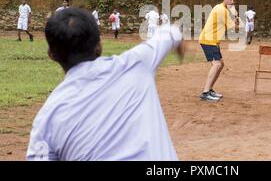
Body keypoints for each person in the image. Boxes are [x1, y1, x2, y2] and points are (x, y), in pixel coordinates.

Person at [26, 8, 184, 161]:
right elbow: (170, 32)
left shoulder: (46, 120)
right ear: (99, 45)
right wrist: (179, 45)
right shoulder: (136, 63)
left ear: (51, 55)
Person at [199, 0, 240, 102]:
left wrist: (235, 19)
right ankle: (205, 92)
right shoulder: (221, 10)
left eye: (234, 0)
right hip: (208, 40)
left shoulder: (223, 9)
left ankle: (210, 89)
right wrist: (236, 20)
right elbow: (234, 30)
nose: (232, 2)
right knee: (216, 64)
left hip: (213, 41)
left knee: (220, 64)